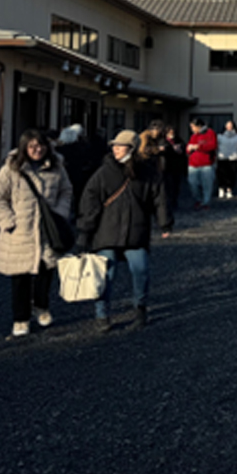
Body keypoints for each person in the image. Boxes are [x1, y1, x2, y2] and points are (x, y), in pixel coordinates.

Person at [76, 130, 171, 332]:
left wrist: (165, 222)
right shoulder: (104, 172)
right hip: (106, 231)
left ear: (132, 148)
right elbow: (89, 200)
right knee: (106, 274)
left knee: (141, 270)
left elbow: (159, 198)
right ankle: (102, 314)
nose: (115, 148)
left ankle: (140, 309)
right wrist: (85, 231)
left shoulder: (147, 172)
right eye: (114, 145)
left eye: (120, 145)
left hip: (136, 230)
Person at [0, 129, 74, 338]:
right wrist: (9, 222)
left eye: (41, 145)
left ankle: (42, 306)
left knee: (46, 273)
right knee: (20, 279)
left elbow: (66, 190)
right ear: (24, 147)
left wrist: (60, 213)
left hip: (47, 231)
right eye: (32, 146)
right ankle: (21, 318)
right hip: (20, 232)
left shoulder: (57, 167)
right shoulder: (12, 169)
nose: (38, 150)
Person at [186, 118, 217, 211]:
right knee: (192, 183)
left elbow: (213, 146)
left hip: (206, 164)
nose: (191, 129)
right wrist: (188, 149)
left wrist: (199, 147)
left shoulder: (210, 133)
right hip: (193, 163)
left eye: (193, 127)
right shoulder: (194, 136)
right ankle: (198, 199)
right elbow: (188, 147)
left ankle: (206, 202)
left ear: (198, 126)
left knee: (207, 184)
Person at [161, 125, 187, 216]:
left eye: (173, 132)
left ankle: (174, 202)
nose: (171, 134)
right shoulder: (163, 141)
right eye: (170, 132)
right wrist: (172, 150)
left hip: (177, 166)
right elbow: (163, 151)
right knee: (168, 186)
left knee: (176, 186)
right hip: (167, 167)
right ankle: (168, 203)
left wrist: (180, 150)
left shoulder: (179, 140)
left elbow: (184, 149)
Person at [216, 121, 237, 198]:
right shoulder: (220, 137)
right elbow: (215, 146)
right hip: (222, 158)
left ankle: (229, 190)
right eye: (228, 126)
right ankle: (221, 189)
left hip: (233, 158)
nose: (229, 127)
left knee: (232, 176)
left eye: (230, 126)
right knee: (222, 175)